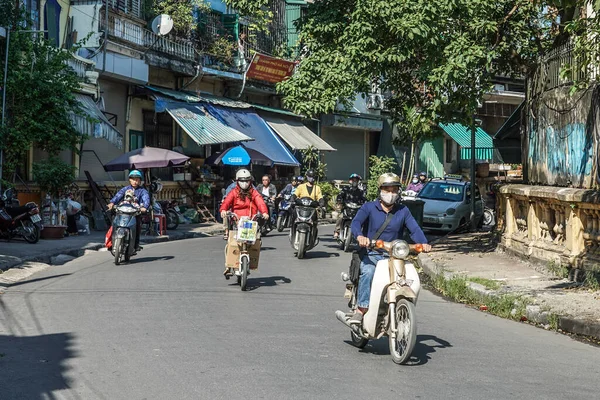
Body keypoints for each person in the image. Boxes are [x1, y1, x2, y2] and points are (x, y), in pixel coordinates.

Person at [348, 172, 432, 325]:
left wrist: (423, 243)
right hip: (372, 253)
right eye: (387, 190)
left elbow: (414, 229)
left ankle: (402, 308)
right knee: (368, 272)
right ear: (380, 190)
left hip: (395, 257)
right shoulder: (368, 207)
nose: (391, 194)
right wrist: (360, 236)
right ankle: (361, 309)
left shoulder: (403, 211)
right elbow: (356, 223)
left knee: (410, 280)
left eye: (394, 190)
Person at [219, 168, 269, 276]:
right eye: (242, 181)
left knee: (257, 241)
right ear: (237, 181)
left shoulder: (254, 192)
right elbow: (226, 202)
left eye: (247, 181)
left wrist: (264, 212)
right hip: (237, 221)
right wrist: (223, 210)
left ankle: (251, 262)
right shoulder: (233, 192)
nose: (245, 183)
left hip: (251, 221)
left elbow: (260, 202)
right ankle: (228, 266)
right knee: (230, 243)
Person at [107, 170, 150, 254]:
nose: (135, 181)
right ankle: (112, 243)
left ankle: (135, 246)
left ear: (140, 181)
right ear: (129, 180)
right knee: (114, 224)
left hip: (135, 214)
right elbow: (118, 196)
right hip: (123, 213)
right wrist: (112, 203)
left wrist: (144, 207)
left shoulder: (143, 191)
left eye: (137, 179)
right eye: (133, 179)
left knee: (137, 227)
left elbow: (146, 200)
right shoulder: (125, 189)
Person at [334, 173, 366, 239]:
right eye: (353, 180)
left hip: (356, 210)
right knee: (340, 217)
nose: (354, 182)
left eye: (356, 180)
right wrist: (339, 200)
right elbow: (340, 196)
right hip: (346, 208)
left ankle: (361, 235)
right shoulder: (345, 189)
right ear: (350, 181)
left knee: (363, 220)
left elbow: (364, 199)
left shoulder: (360, 192)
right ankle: (337, 232)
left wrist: (365, 204)